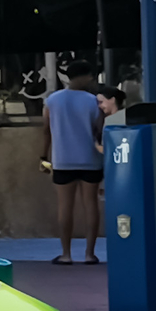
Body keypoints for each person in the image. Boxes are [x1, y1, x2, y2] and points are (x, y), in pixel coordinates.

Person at [40, 62, 105, 265]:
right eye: (90, 76)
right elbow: (99, 130)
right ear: (83, 76)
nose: (92, 80)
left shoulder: (52, 100)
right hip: (90, 160)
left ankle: (66, 254)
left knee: (65, 207)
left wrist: (43, 156)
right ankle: (89, 254)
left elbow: (46, 130)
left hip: (63, 160)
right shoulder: (93, 101)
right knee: (91, 205)